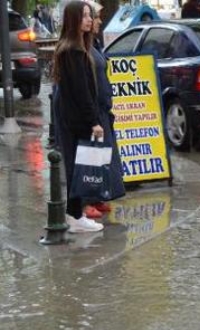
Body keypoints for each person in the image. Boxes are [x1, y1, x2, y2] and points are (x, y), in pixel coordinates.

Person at [52, 0, 105, 232]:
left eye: (89, 15)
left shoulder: (73, 47)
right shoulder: (73, 50)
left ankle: (75, 214)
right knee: (78, 167)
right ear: (73, 19)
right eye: (84, 15)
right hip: (75, 119)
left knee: (78, 165)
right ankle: (75, 216)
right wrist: (93, 121)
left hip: (71, 117)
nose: (89, 19)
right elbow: (81, 91)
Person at [85, 0, 126, 219]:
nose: (99, 21)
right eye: (96, 17)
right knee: (90, 156)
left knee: (103, 156)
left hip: (102, 108)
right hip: (92, 111)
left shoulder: (94, 44)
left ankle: (98, 195)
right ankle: (86, 200)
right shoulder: (80, 48)